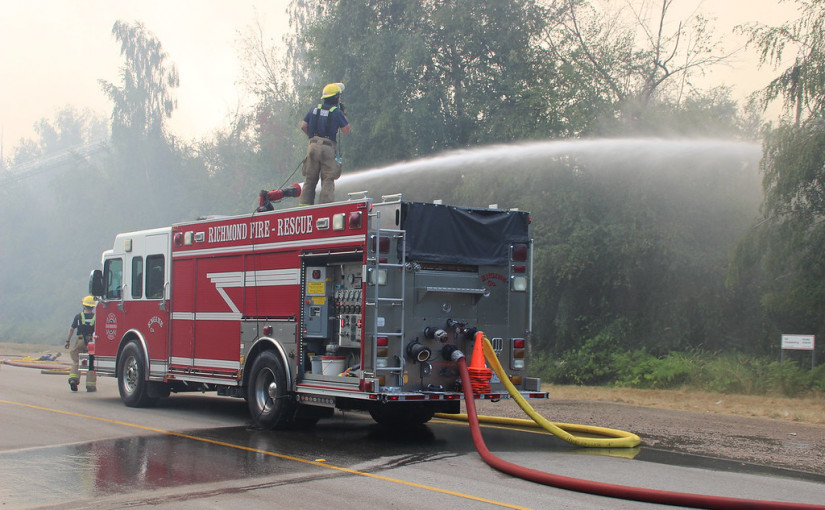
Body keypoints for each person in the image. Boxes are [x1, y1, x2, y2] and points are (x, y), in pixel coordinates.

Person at [300, 82, 351, 205]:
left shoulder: (314, 109)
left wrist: (313, 139)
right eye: (339, 96)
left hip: (312, 146)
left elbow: (303, 126)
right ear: (336, 98)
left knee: (310, 179)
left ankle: (304, 207)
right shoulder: (337, 112)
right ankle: (325, 208)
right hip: (327, 148)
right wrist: (343, 114)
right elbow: (346, 130)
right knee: (328, 178)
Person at [65, 295, 97, 392]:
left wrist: (67, 341)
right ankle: (90, 386)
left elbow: (71, 329)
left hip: (80, 340)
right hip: (92, 342)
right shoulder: (96, 317)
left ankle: (73, 380)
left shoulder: (78, 316)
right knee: (91, 363)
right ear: (93, 306)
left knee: (76, 360)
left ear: (84, 305)